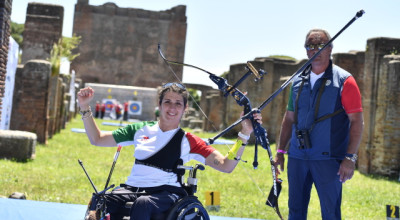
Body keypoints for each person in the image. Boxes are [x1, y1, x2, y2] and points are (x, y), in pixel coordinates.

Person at [77, 82, 262, 220]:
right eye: (167, 102)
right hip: (131, 188)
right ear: (159, 104)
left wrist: (245, 134)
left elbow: (226, 165)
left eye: (178, 104)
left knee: (143, 204)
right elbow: (97, 139)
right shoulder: (140, 129)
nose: (172, 108)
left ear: (185, 109)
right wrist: (84, 106)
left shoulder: (189, 140)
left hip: (164, 193)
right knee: (99, 199)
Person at [273, 29, 364, 219]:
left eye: (320, 45)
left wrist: (350, 158)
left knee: (330, 213)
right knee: (295, 211)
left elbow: (356, 121)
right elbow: (289, 119)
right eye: (310, 46)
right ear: (306, 50)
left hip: (329, 160)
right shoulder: (296, 81)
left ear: (330, 48)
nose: (315, 50)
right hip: (297, 157)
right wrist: (281, 151)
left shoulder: (345, 81)